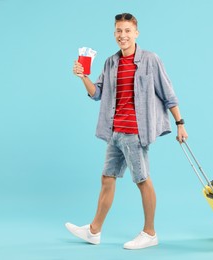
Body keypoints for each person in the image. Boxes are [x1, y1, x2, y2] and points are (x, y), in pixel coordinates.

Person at [66, 13, 188, 250]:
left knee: (142, 180)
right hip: (114, 132)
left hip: (134, 132)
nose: (123, 35)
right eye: (119, 31)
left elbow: (168, 94)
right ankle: (94, 231)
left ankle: (150, 233)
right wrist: (83, 77)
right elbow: (97, 94)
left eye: (127, 31)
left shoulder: (150, 60)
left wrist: (180, 123)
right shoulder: (111, 62)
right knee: (107, 178)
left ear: (136, 33)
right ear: (114, 34)